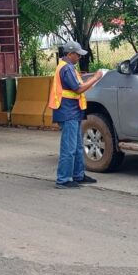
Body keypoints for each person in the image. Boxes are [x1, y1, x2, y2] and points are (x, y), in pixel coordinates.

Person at [49, 40, 104, 189]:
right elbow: (78, 89)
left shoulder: (69, 67)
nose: (80, 57)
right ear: (70, 54)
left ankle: (78, 175)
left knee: (78, 147)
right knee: (69, 148)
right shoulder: (66, 69)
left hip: (74, 111)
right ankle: (63, 180)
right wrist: (96, 78)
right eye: (78, 55)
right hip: (68, 112)